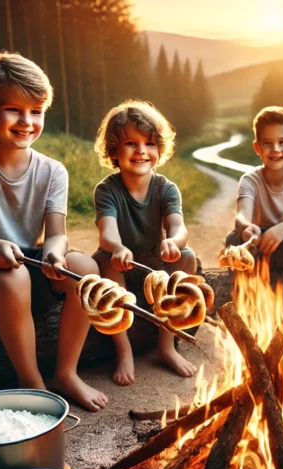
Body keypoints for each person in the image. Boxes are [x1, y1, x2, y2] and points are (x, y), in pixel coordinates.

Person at [0, 52, 108, 411]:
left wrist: (53, 251)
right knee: (12, 278)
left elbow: (57, 233)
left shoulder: (53, 171)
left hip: (30, 264)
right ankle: (30, 381)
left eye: (36, 111)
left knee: (86, 270)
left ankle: (66, 373)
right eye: (14, 110)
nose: (26, 121)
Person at [92, 100, 197, 385]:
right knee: (105, 261)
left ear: (159, 149)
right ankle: (123, 349)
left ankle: (166, 345)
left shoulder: (166, 189)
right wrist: (117, 248)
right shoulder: (107, 190)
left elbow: (178, 227)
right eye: (130, 143)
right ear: (113, 150)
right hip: (120, 262)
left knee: (187, 257)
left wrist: (173, 242)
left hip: (153, 266)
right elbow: (107, 232)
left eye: (150, 143)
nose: (141, 151)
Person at [225, 106, 283, 303]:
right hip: (257, 246)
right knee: (233, 239)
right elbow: (243, 215)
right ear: (257, 148)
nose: (275, 149)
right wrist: (246, 228)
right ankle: (245, 304)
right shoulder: (250, 180)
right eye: (268, 143)